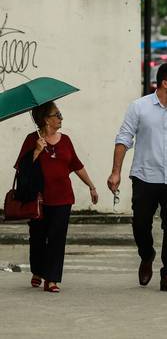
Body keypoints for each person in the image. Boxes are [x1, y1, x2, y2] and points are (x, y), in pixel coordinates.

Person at [107, 63, 167, 293]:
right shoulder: (139, 107)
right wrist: (116, 171)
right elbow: (124, 139)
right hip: (145, 176)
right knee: (140, 224)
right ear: (164, 83)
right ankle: (146, 255)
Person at [15, 102, 98, 293]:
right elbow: (21, 168)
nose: (61, 118)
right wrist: (36, 151)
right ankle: (37, 270)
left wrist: (91, 186)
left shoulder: (66, 140)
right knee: (37, 238)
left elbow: (77, 165)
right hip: (39, 199)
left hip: (63, 198)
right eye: (57, 114)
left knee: (57, 239)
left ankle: (51, 279)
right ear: (46, 119)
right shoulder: (31, 140)